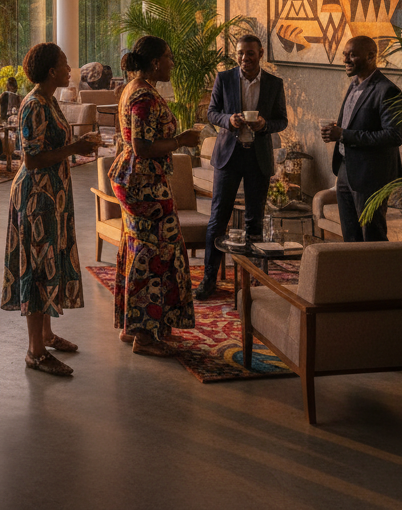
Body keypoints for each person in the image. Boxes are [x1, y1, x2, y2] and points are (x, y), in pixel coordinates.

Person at [1, 42, 99, 376]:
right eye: (65, 64)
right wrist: (76, 147)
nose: (70, 68)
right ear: (51, 71)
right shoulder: (33, 105)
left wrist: (75, 148)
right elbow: (30, 159)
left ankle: (46, 334)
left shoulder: (50, 101)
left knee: (49, 259)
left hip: (53, 195)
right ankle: (35, 351)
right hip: (36, 198)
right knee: (37, 266)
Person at [110, 37, 202, 356]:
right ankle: (145, 336)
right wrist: (182, 140)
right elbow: (142, 147)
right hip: (143, 183)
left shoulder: (136, 87)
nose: (172, 63)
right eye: (168, 57)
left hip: (138, 180)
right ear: (154, 63)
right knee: (155, 255)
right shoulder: (144, 96)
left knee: (142, 249)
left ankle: (136, 325)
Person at [196, 33, 288, 301]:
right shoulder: (223, 79)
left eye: (250, 53)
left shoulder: (274, 83)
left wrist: (264, 126)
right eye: (240, 53)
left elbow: (281, 120)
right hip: (228, 157)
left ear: (261, 53)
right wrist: (228, 119)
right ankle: (209, 279)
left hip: (258, 157)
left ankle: (253, 283)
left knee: (254, 221)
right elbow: (211, 112)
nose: (244, 58)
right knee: (217, 219)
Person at [321, 35, 402, 241]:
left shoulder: (388, 91)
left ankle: (379, 274)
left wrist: (344, 135)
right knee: (350, 235)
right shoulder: (353, 85)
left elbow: (394, 135)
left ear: (371, 56)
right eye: (344, 55)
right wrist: (335, 132)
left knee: (372, 235)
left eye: (352, 55)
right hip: (345, 169)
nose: (346, 60)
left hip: (371, 175)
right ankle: (354, 274)